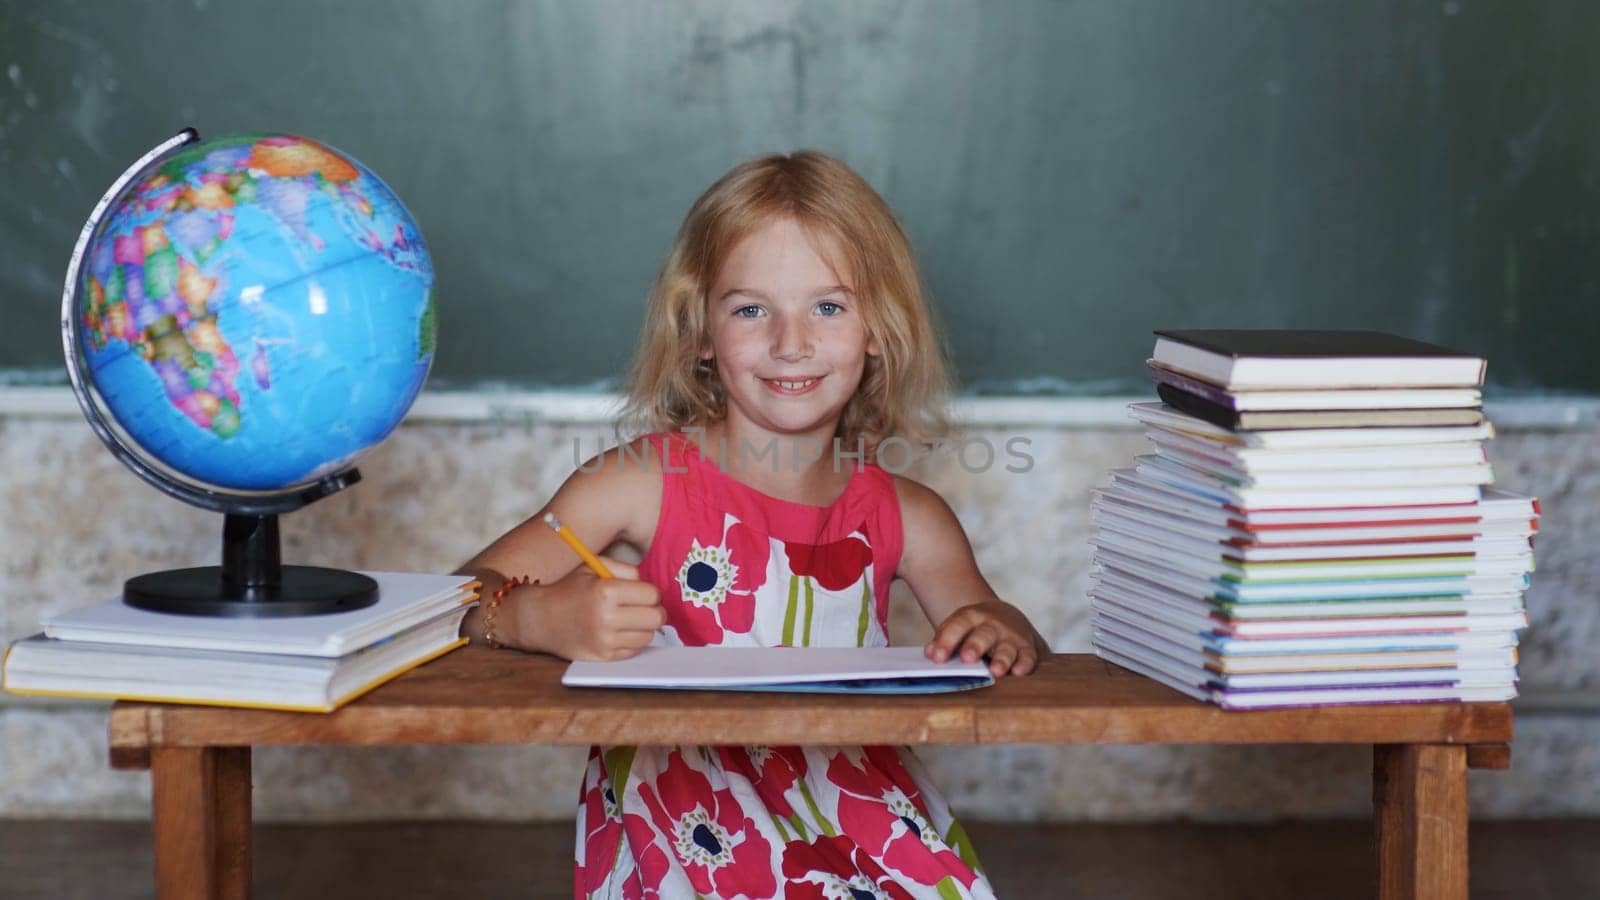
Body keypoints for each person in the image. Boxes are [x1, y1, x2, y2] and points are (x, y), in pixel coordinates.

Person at [457, 150, 1047, 899]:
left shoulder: (911, 515)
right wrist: (538, 615)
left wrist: (1000, 627)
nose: (790, 342)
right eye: (750, 309)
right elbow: (455, 600)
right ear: (700, 329)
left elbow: (992, 624)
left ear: (879, 328)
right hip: (683, 833)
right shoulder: (638, 482)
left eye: (828, 307)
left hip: (857, 822)